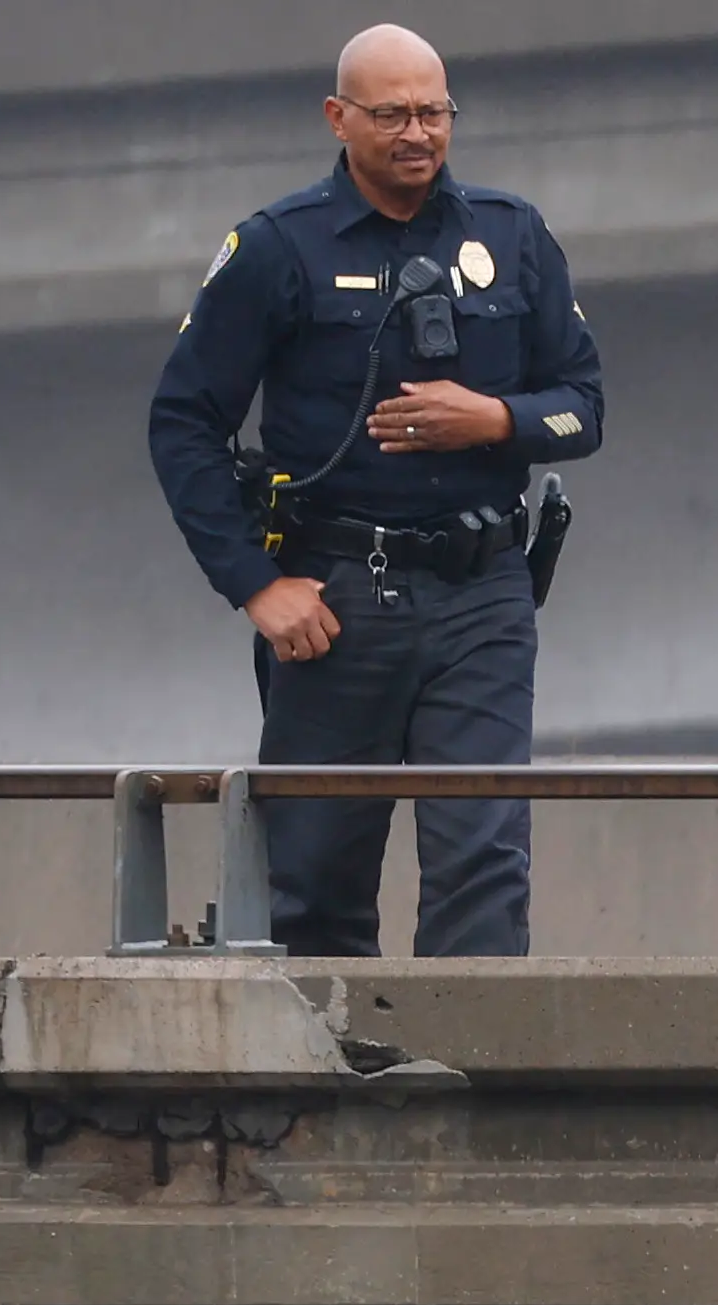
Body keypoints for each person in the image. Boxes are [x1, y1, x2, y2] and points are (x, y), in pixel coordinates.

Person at [144, 25, 603, 959]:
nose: (416, 133)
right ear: (337, 118)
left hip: (482, 592)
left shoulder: (511, 235)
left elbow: (583, 407)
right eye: (390, 113)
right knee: (314, 876)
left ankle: (471, 1080)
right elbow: (183, 422)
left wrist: (493, 421)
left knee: (484, 862)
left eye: (433, 111)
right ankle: (322, 1092)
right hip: (335, 597)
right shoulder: (278, 248)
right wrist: (254, 585)